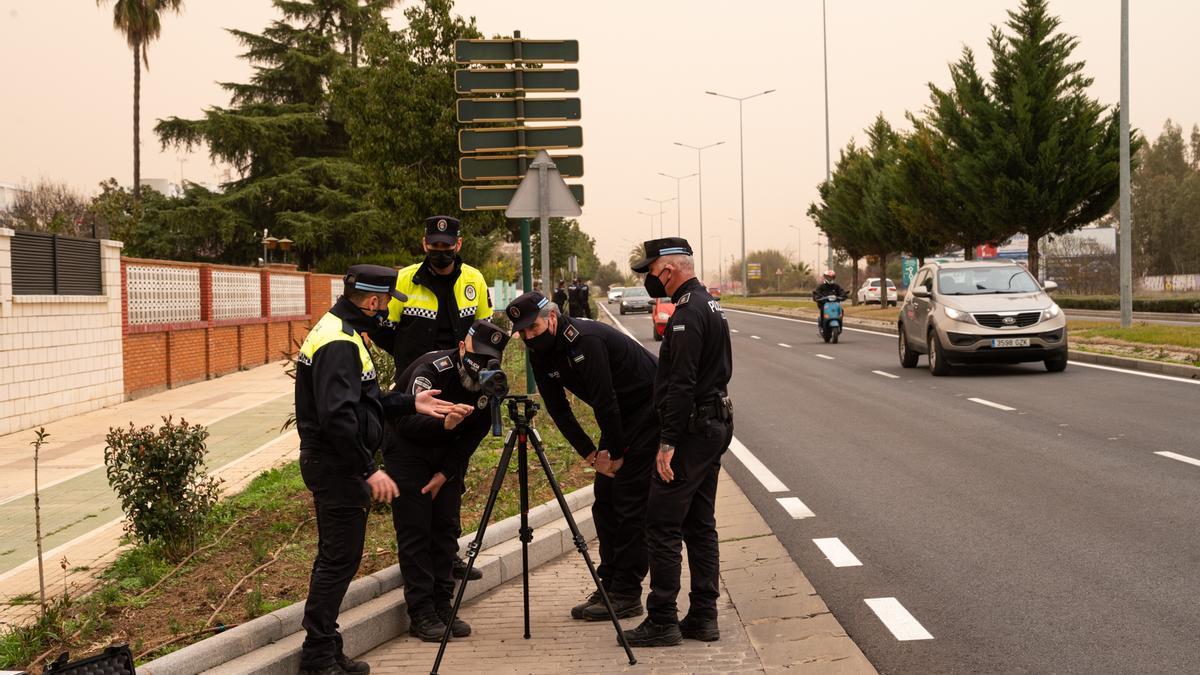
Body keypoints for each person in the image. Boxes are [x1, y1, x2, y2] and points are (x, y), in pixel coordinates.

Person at [295, 264, 457, 675]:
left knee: (339, 558)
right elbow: (338, 419)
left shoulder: (341, 332)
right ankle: (318, 654)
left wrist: (410, 403)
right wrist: (369, 469)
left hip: (337, 463)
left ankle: (326, 646)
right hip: (336, 467)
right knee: (338, 560)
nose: (387, 311)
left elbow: (361, 401)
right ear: (371, 300)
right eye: (386, 303)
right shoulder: (339, 343)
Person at [506, 291, 659, 622]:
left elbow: (605, 401)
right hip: (621, 416)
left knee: (629, 501)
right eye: (522, 332)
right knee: (604, 501)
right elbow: (558, 409)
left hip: (650, 409)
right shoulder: (539, 352)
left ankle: (628, 593)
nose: (528, 337)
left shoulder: (584, 340)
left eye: (532, 328)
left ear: (551, 318)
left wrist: (615, 454)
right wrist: (591, 454)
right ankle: (610, 584)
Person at [623, 238, 733, 648]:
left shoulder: (687, 313)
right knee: (700, 524)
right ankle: (704, 616)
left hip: (691, 432)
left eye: (650, 272)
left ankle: (663, 619)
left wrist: (668, 441)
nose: (649, 280)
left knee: (662, 524)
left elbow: (682, 381)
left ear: (667, 269)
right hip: (713, 424)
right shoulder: (710, 304)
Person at [369, 215, 492, 582]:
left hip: (461, 385)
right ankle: (426, 560)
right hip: (417, 387)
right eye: (434, 246)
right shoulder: (404, 280)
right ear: (425, 244)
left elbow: (483, 332)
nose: (440, 252)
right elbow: (384, 330)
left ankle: (448, 554)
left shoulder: (474, 279)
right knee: (417, 466)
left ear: (459, 243)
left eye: (447, 246)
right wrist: (409, 360)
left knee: (453, 475)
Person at [386, 320, 511, 642]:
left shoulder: (488, 382)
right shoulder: (432, 371)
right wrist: (444, 427)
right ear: (461, 348)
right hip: (407, 450)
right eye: (476, 356)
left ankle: (443, 605)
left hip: (447, 455)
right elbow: (407, 424)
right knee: (416, 531)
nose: (481, 365)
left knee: (445, 529)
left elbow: (475, 434)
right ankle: (421, 612)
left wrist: (446, 473)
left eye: (489, 358)